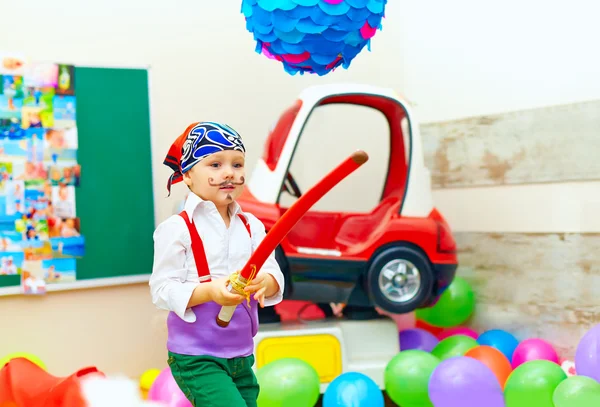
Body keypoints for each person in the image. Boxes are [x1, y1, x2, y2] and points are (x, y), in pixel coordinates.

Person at [149, 121, 285, 407]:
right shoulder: (176, 229)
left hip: (241, 354)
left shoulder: (252, 226)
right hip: (197, 356)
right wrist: (210, 292)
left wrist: (267, 282)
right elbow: (162, 289)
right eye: (215, 164)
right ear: (187, 174)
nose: (229, 173)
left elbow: (272, 270)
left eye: (237, 164)